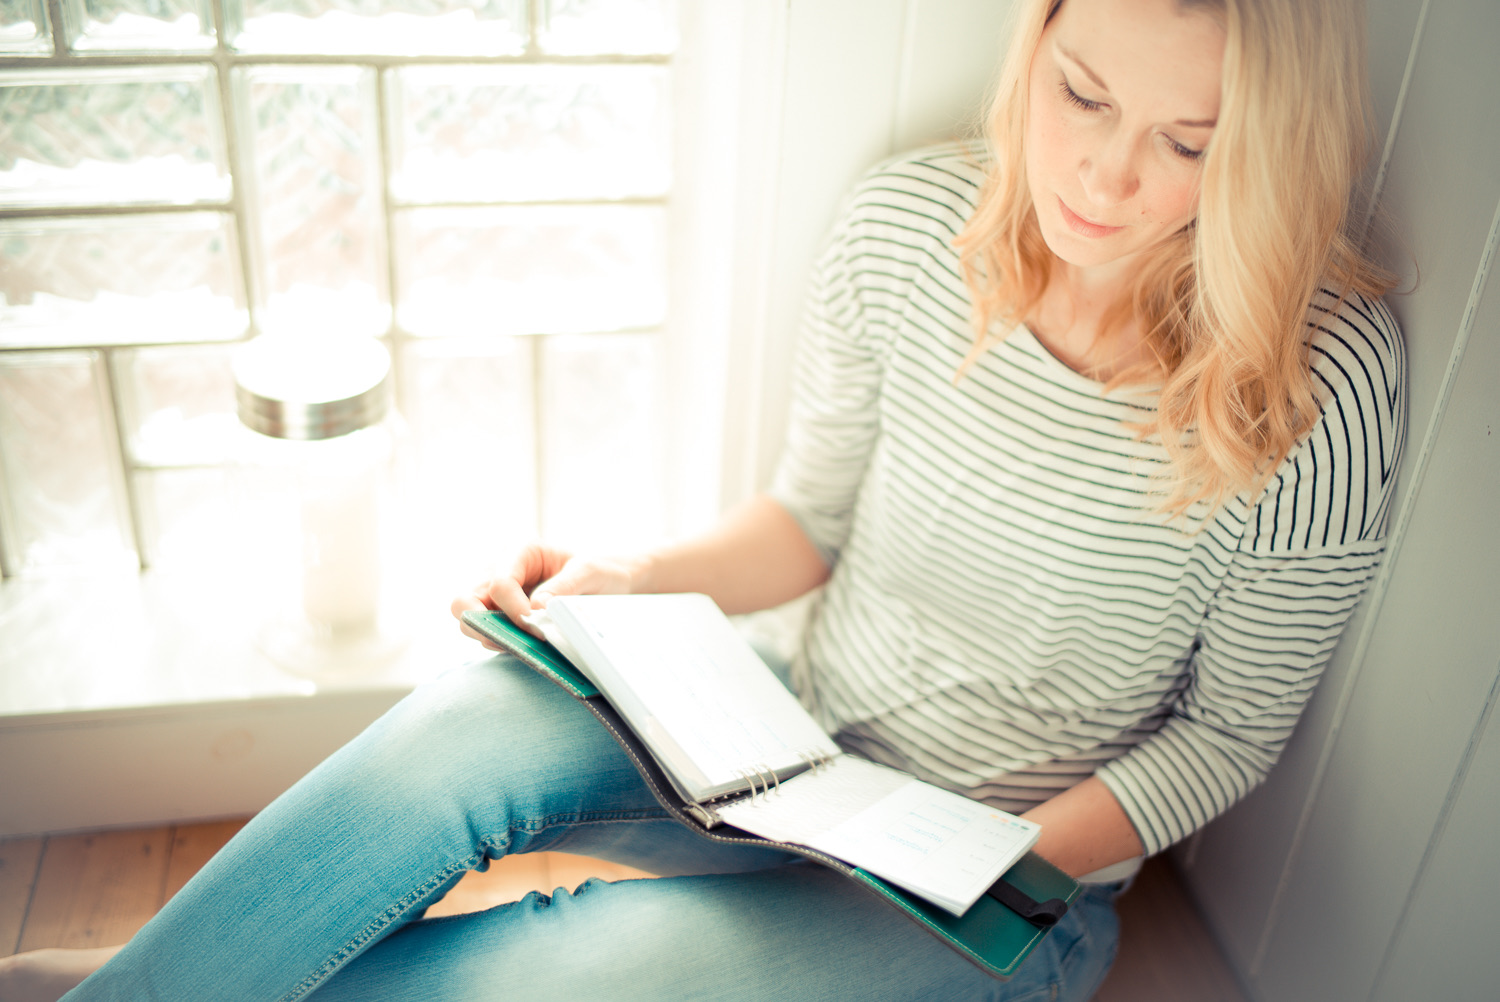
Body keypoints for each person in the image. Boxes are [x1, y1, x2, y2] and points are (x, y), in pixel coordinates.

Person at [0, 0, 1404, 998]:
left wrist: (1001, 850)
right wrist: (624, 583)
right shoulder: (913, 225)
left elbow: (1224, 738)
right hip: (784, 742)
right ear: (1033, 44)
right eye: (1083, 94)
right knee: (468, 724)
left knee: (552, 969)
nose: (1104, 171)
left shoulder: (1320, 383)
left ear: (1267, 145)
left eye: (1190, 140)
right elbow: (807, 522)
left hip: (994, 894)